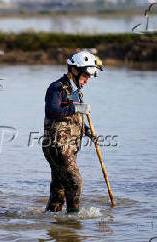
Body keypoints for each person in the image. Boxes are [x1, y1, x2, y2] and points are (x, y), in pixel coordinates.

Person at [42, 51, 103, 213]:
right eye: (85, 76)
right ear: (74, 70)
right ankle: (73, 224)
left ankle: (53, 225)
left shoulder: (74, 90)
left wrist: (88, 132)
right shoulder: (57, 88)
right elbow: (52, 111)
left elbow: (73, 118)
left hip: (66, 147)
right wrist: (75, 107)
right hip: (58, 147)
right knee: (75, 184)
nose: (87, 80)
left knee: (59, 190)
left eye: (89, 77)